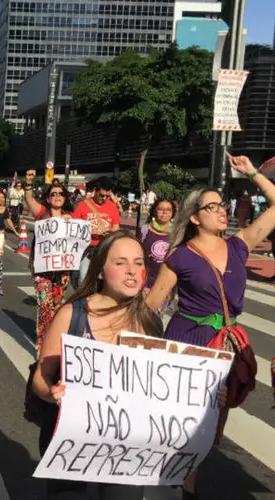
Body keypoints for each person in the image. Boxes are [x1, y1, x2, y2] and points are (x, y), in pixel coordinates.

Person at [147, 153, 275, 499]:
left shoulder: (239, 245)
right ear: (193, 218)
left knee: (208, 426)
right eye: (213, 206)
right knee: (186, 426)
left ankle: (184, 482)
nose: (222, 211)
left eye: (222, 205)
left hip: (225, 345)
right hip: (188, 341)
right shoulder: (181, 256)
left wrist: (253, 173)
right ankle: (179, 489)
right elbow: (152, 306)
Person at [33, 231, 162, 499]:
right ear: (100, 270)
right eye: (120, 262)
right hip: (72, 443)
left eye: (139, 263)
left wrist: (204, 399)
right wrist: (50, 393)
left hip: (128, 447)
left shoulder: (150, 321)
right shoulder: (72, 315)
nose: (132, 271)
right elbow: (40, 377)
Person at [23, 171, 74, 350]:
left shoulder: (71, 216)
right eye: (53, 194)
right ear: (48, 197)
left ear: (65, 197)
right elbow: (29, 200)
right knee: (45, 305)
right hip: (42, 269)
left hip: (62, 270)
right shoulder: (42, 212)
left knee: (57, 305)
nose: (57, 196)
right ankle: (43, 343)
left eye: (61, 194)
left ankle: (54, 336)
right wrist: (28, 184)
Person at [71, 176, 121, 287]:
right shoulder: (83, 205)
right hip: (86, 249)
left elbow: (116, 227)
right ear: (95, 191)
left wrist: (108, 230)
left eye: (107, 196)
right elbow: (74, 227)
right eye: (101, 195)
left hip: (104, 248)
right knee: (83, 278)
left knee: (104, 281)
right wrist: (89, 231)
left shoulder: (112, 206)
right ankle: (82, 301)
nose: (104, 198)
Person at [139, 198, 174, 293]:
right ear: (155, 211)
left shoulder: (177, 232)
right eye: (160, 209)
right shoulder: (145, 229)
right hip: (144, 281)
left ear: (172, 213)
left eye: (168, 210)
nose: (164, 212)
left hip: (164, 284)